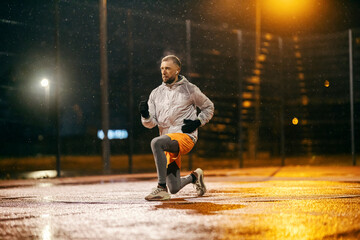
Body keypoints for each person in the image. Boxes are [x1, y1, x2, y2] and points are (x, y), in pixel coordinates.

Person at [139, 55, 214, 201]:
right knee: (174, 188)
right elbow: (151, 123)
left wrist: (198, 122)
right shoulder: (156, 93)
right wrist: (145, 115)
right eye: (162, 68)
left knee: (156, 142)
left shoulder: (189, 89)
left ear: (177, 70)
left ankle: (161, 188)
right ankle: (195, 176)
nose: (163, 71)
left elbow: (208, 107)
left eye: (167, 68)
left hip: (185, 136)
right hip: (167, 141)